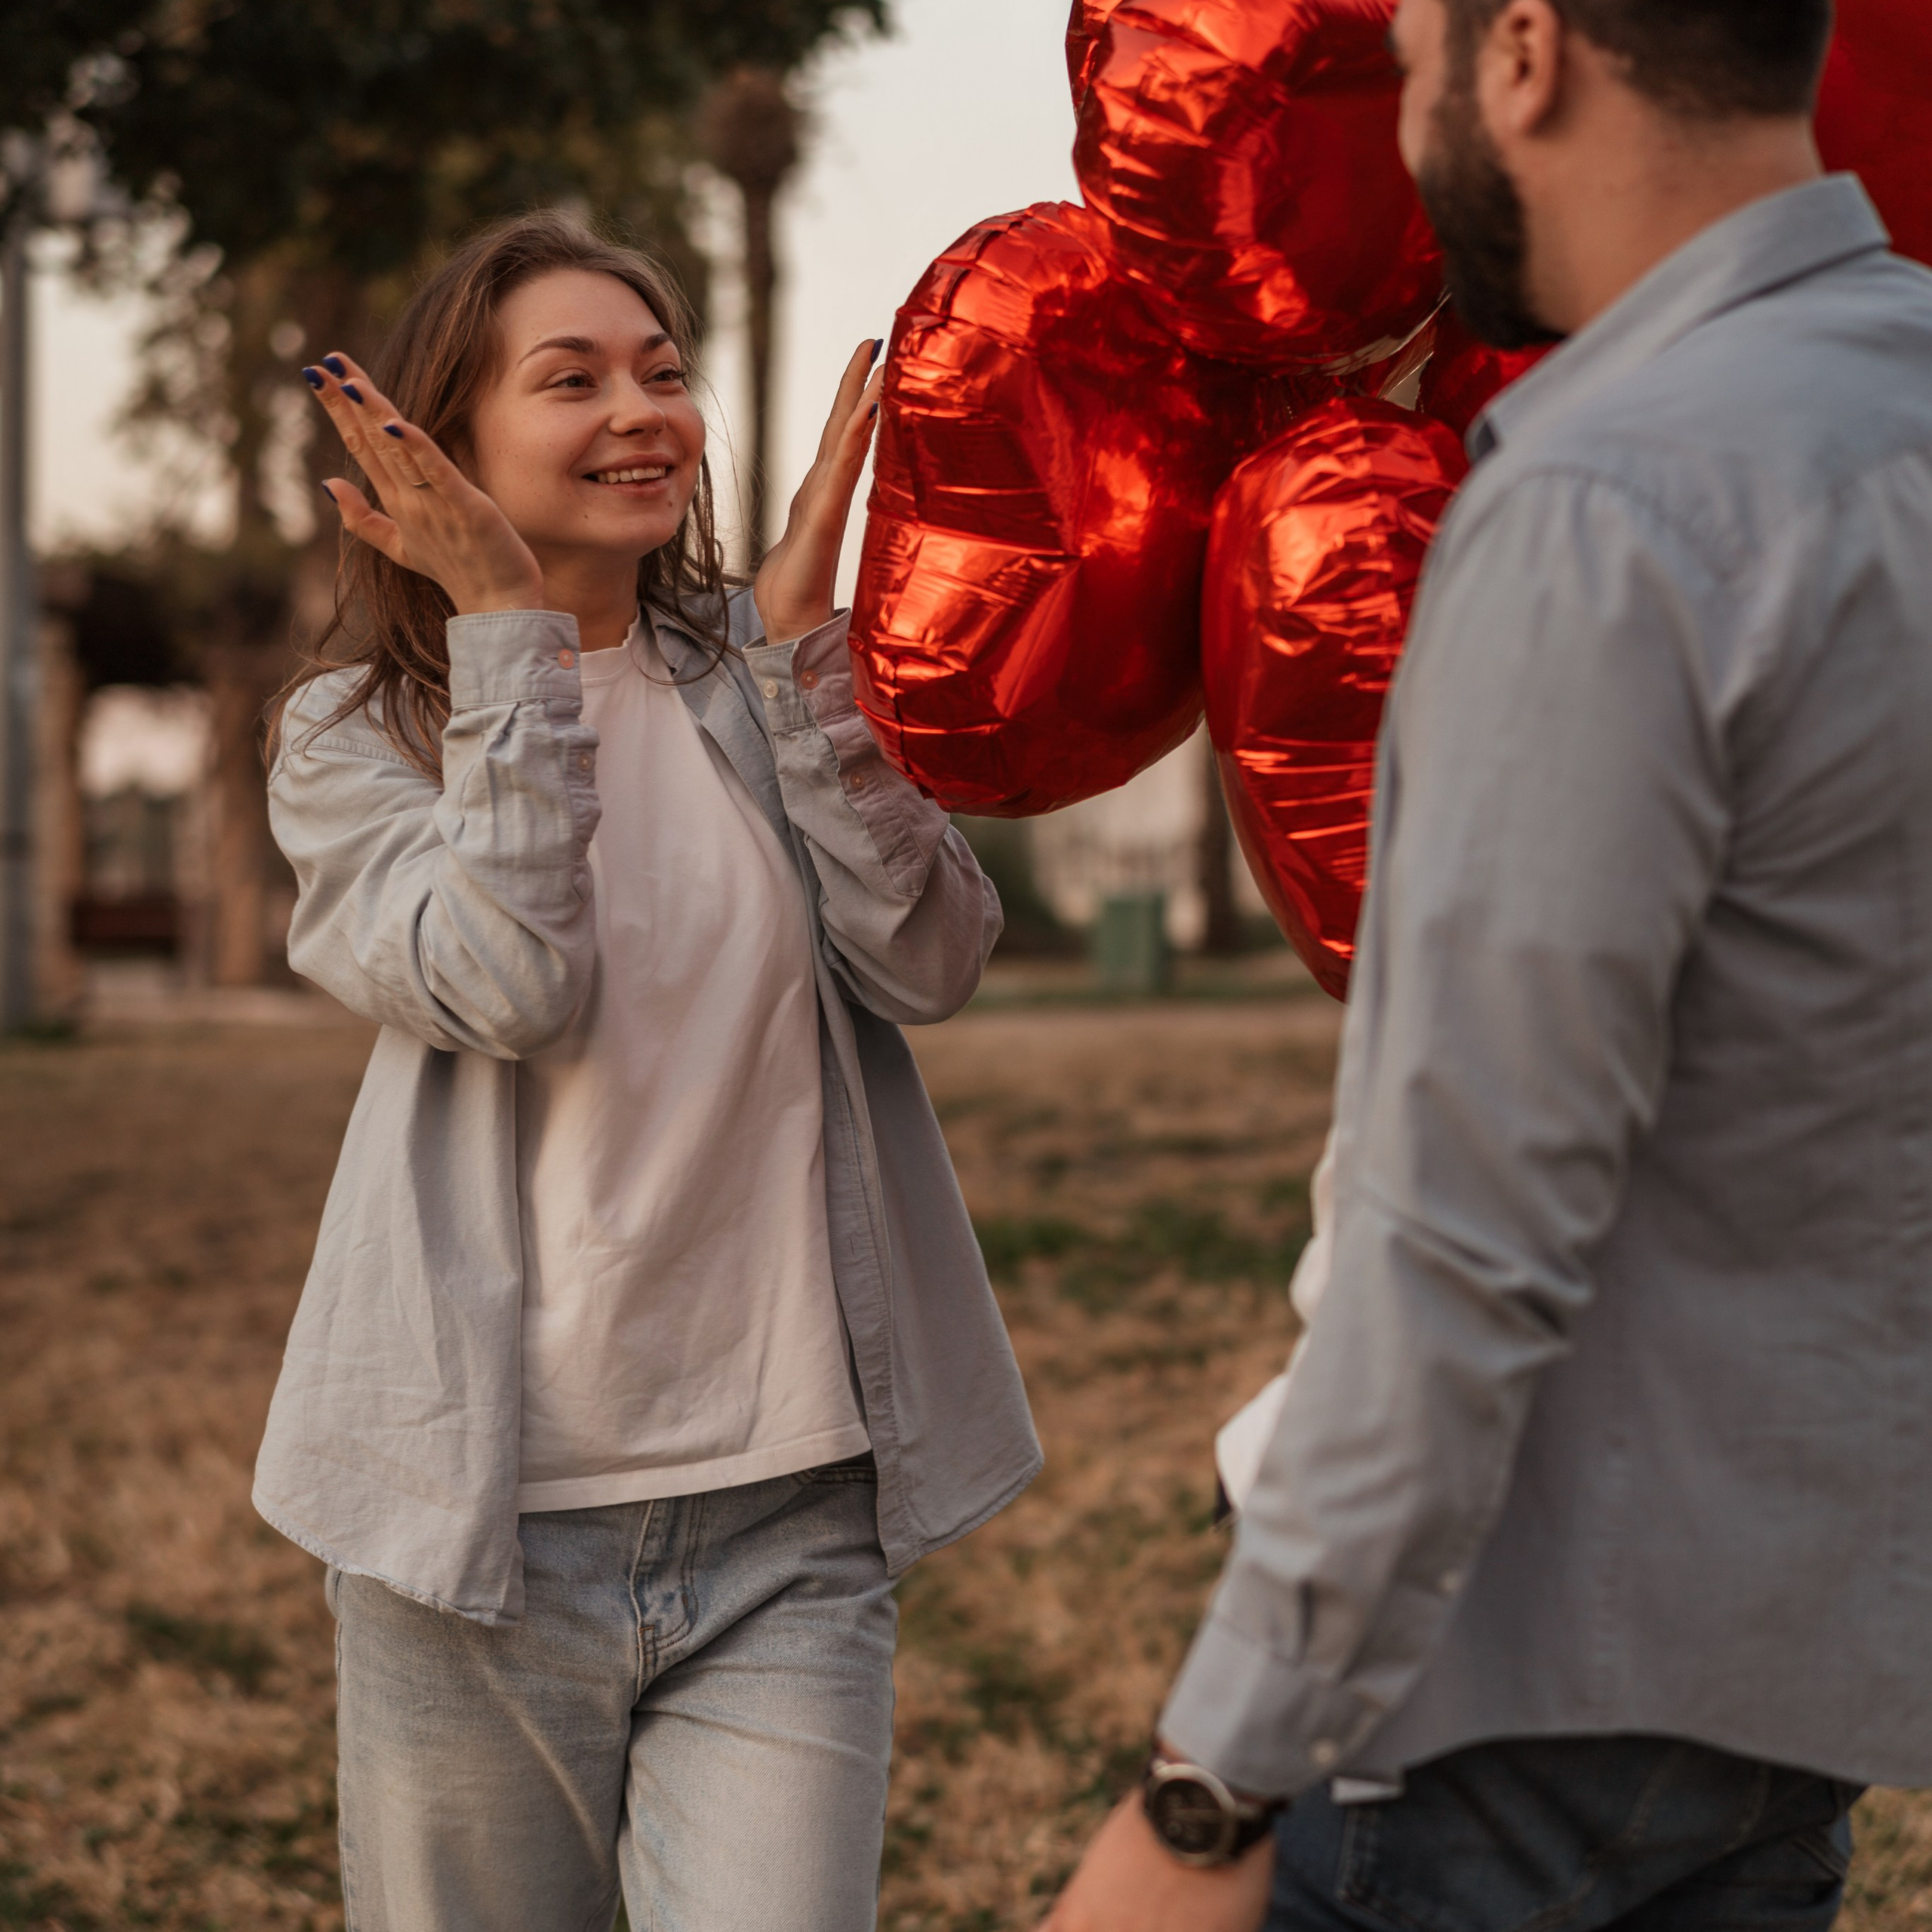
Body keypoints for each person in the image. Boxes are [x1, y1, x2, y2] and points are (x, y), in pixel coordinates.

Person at [1045, 0, 1932, 1925]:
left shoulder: (1604, 494)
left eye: (1420, 42)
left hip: (1489, 1694)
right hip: (1797, 1680)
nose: (1406, 93)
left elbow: (1468, 1219)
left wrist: (1206, 1788)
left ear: (1524, 51)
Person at [255, 210, 1040, 1932]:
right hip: (483, 1547)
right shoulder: (352, 735)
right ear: (448, 442)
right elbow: (502, 974)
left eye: (664, 371)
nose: (645, 410)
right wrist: (506, 635)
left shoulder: (753, 685)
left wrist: (806, 660)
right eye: (573, 377)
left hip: (789, 1516)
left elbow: (929, 958)